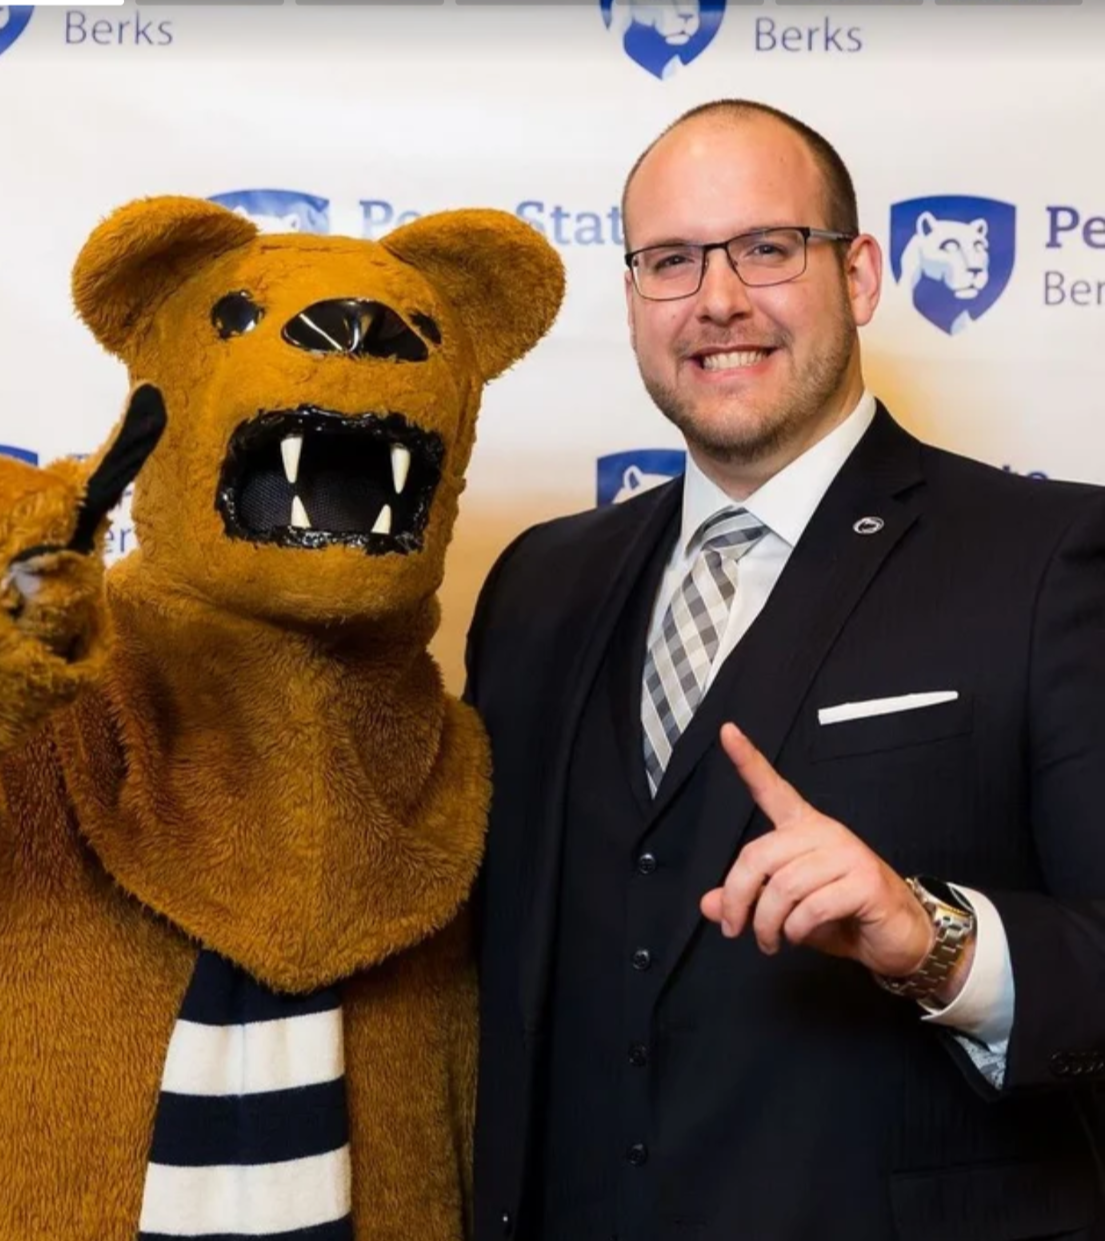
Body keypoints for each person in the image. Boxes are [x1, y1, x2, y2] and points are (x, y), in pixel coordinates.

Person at [463, 99, 1105, 1241]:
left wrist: (933, 938)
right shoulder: (535, 586)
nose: (718, 299)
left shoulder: (1051, 557)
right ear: (632, 296)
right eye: (671, 259)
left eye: (767, 247)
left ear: (857, 274)